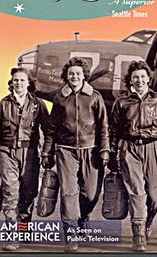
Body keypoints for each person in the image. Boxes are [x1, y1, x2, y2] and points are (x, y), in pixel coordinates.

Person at [41, 57, 110, 252]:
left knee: (90, 194)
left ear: (84, 76)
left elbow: (104, 126)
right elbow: (52, 128)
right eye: (71, 73)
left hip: (91, 149)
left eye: (78, 73)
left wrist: (105, 149)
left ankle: (83, 216)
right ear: (66, 76)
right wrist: (47, 151)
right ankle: (70, 235)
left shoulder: (95, 97)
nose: (74, 76)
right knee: (68, 192)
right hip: (66, 150)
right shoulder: (59, 98)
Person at [109, 60, 157, 251]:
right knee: (136, 192)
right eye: (135, 77)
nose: (139, 80)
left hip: (153, 147)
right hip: (129, 148)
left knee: (155, 197)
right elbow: (114, 130)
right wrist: (113, 154)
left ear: (148, 78)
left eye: (143, 76)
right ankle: (138, 235)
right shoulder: (121, 102)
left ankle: (147, 222)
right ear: (130, 80)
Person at [0, 67, 49, 251]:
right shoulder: (4, 103)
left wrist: (47, 152)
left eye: (22, 80)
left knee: (29, 192)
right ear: (12, 83)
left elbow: (47, 130)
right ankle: (12, 235)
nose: (18, 83)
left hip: (30, 153)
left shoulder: (38, 104)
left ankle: (24, 228)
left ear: (28, 82)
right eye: (15, 80)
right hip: (6, 151)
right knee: (10, 191)